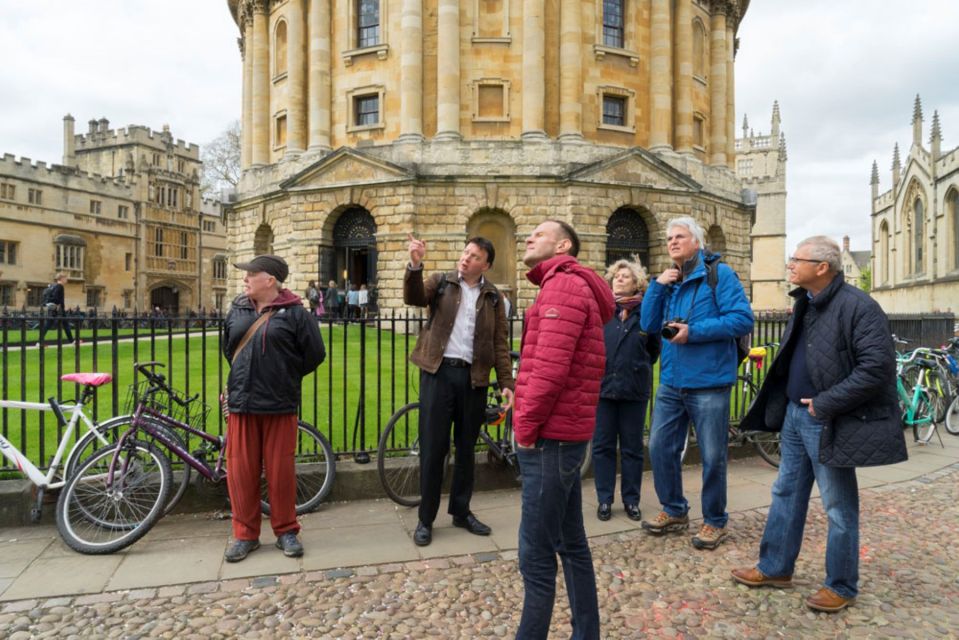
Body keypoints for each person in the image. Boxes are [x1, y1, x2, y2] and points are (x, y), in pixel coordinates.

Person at [731, 236, 906, 612]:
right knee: (786, 494)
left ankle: (841, 585)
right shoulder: (804, 303)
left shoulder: (859, 307)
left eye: (798, 259)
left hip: (828, 419)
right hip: (796, 417)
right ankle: (775, 567)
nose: (790, 264)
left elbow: (876, 369)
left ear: (823, 267)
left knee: (839, 506)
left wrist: (825, 404)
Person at [513, 220, 614, 640]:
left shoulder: (562, 285)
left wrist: (525, 425)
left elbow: (550, 372)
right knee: (571, 543)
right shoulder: (564, 285)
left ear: (564, 244)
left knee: (535, 554)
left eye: (539, 233)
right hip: (563, 436)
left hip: (550, 439)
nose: (529, 238)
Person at [639, 216, 753, 550]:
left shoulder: (720, 275)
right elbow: (648, 323)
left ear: (697, 242)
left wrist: (695, 333)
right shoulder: (669, 281)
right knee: (659, 448)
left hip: (709, 382)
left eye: (679, 236)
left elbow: (742, 318)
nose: (672, 242)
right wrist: (657, 286)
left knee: (713, 455)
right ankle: (675, 509)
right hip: (672, 382)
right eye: (669, 238)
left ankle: (715, 520)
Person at [404, 233, 514, 547]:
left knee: (466, 449)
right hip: (438, 375)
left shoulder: (494, 297)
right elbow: (413, 298)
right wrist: (415, 265)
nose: (466, 258)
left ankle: (461, 511)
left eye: (475, 255)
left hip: (474, 379)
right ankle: (426, 518)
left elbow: (500, 344)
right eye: (466, 252)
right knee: (433, 449)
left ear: (487, 264)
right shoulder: (441, 282)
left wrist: (507, 383)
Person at [222, 255, 325, 562]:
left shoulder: (295, 314)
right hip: (242, 402)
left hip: (279, 404)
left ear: (270, 280)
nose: (245, 279)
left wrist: (282, 376)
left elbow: (314, 354)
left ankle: (286, 531)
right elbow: (230, 349)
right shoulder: (237, 310)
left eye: (250, 274)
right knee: (241, 472)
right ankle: (245, 535)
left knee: (280, 472)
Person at [594, 259, 660, 522]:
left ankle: (631, 500)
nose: (619, 279)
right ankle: (604, 500)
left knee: (632, 448)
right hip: (603, 389)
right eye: (616, 276)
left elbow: (654, 350)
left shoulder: (646, 312)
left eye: (625, 276)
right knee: (603, 447)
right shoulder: (602, 312)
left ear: (636, 283)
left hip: (634, 389)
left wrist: (635, 367)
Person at [39, 273, 74, 343]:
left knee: (48, 324)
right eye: (66, 278)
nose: (67, 280)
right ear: (62, 278)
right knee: (65, 325)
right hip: (58, 309)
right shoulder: (60, 286)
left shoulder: (53, 285)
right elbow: (57, 298)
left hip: (51, 307)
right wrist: (59, 306)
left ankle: (39, 342)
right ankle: (72, 341)